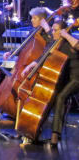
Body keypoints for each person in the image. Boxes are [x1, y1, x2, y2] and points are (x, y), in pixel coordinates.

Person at [19, 18, 78, 146]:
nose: (53, 33)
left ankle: (55, 136)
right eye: (52, 30)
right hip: (63, 78)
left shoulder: (70, 43)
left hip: (76, 79)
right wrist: (31, 66)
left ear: (63, 31)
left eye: (56, 31)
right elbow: (44, 56)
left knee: (61, 97)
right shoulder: (56, 44)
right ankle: (34, 130)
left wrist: (66, 35)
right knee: (49, 96)